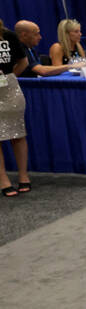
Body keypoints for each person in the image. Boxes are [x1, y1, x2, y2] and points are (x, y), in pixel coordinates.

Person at [0, 21, 31, 197]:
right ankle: (3, 179)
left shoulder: (9, 35)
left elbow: (23, 61)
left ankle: (23, 175)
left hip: (10, 89)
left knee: (18, 133)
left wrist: (10, 78)